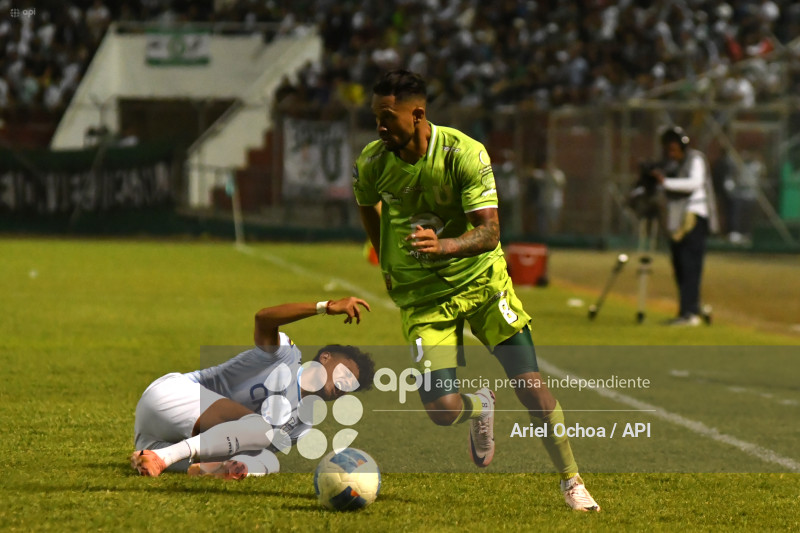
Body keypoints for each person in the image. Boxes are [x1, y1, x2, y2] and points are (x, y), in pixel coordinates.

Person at [353, 69, 600, 512]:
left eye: (388, 116)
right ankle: (481, 403)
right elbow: (366, 205)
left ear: (418, 114)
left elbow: (489, 233)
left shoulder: (464, 153)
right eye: (376, 117)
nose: (380, 126)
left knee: (531, 387)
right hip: (422, 296)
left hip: (482, 283)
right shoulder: (373, 162)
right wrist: (385, 255)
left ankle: (571, 481)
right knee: (443, 410)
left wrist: (443, 244)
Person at [130, 297, 375, 479]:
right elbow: (264, 318)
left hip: (158, 438)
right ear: (325, 357)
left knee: (270, 460)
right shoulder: (285, 355)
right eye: (345, 373)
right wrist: (325, 306)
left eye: (350, 386)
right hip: (170, 397)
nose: (344, 385)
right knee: (261, 427)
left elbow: (250, 448)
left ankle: (194, 466)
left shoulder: (304, 422)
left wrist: (242, 464)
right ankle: (165, 459)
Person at [652, 127, 719, 326]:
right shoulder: (672, 165)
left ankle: (690, 313)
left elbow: (695, 183)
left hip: (694, 216)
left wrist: (666, 182)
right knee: (680, 265)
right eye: (668, 150)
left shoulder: (695, 159)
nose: (671, 154)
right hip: (677, 220)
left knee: (690, 265)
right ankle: (691, 308)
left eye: (674, 149)